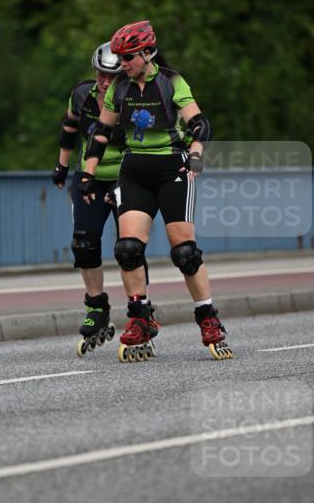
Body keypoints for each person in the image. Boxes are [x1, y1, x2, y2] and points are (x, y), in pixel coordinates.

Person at [79, 20, 233, 362]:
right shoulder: (119, 87)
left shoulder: (171, 82)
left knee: (185, 253)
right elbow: (101, 132)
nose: (123, 63)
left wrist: (195, 157)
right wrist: (88, 174)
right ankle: (140, 318)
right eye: (119, 57)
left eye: (129, 56)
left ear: (148, 52)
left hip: (171, 169)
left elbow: (199, 124)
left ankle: (208, 318)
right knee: (128, 249)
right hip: (134, 171)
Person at [51, 42, 158, 356]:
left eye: (111, 75)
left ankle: (141, 313)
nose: (104, 81)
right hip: (90, 176)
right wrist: (61, 164)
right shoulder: (82, 94)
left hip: (129, 175)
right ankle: (97, 308)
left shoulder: (137, 99)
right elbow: (70, 127)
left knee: (129, 247)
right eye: (100, 73)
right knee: (83, 242)